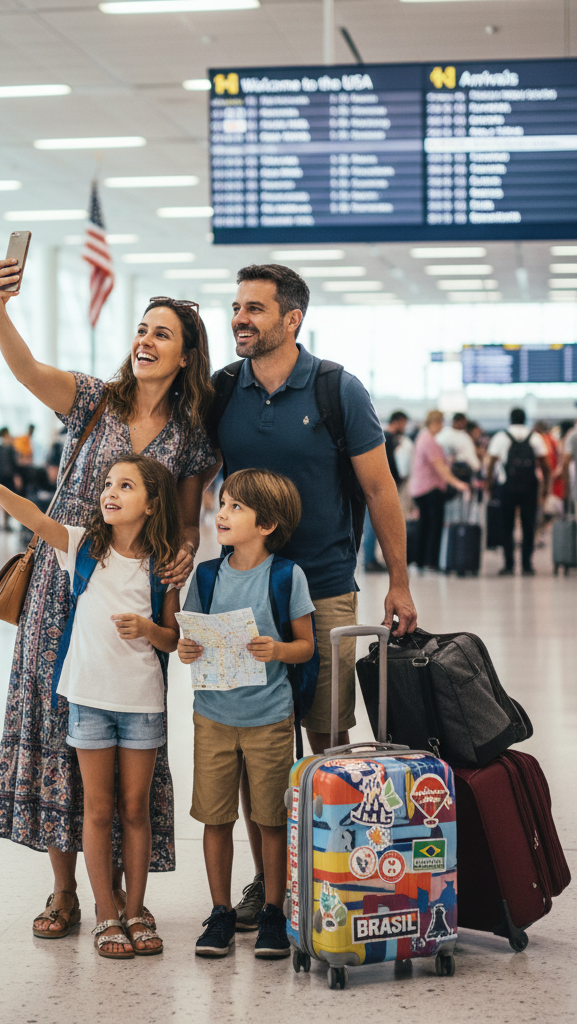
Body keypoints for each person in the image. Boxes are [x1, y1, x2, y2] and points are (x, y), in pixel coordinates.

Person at [0, 256, 215, 941]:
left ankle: (128, 893)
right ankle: (65, 892)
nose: (145, 340)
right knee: (60, 734)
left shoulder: (190, 434)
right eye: (141, 329)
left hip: (129, 595)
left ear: (185, 356)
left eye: (162, 334)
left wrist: (181, 556)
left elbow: (187, 516)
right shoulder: (94, 399)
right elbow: (27, 371)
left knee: (129, 742)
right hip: (60, 589)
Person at [207, 264, 417, 909]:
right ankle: (271, 881)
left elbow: (379, 488)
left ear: (292, 318)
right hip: (243, 592)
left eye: (255, 309)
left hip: (324, 588)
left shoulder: (336, 389)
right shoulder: (221, 390)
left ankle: (333, 871)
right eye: (237, 306)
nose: (240, 318)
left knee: (326, 734)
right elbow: (198, 481)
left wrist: (400, 585)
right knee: (252, 744)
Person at [0, 453, 181, 958]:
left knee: (135, 810)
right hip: (88, 700)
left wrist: (148, 630)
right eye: (108, 484)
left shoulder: (163, 567)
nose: (109, 492)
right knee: (99, 809)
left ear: (151, 506)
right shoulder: (83, 546)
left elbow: (171, 639)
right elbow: (37, 518)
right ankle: (106, 914)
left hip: (143, 703)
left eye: (125, 486)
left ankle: (135, 911)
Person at [179, 468, 314, 960]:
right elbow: (187, 637)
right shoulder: (208, 575)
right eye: (223, 504)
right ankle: (220, 912)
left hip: (269, 718)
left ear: (267, 524)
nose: (222, 513)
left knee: (271, 820)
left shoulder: (286, 576)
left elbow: (305, 646)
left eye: (236, 507)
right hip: (212, 715)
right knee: (216, 819)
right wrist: (187, 650)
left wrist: (277, 650)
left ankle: (274, 912)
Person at [485, 408, 551, 576]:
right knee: (529, 525)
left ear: (510, 419)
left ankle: (509, 565)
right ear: (525, 419)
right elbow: (545, 464)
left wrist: (489, 485)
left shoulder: (501, 437)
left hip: (506, 487)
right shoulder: (534, 437)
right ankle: (527, 565)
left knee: (506, 525)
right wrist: (545, 488)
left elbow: (491, 463)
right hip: (530, 487)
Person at [409, 411, 471, 571]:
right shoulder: (428, 440)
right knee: (433, 527)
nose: (442, 426)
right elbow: (439, 467)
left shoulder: (422, 439)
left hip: (420, 489)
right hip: (430, 489)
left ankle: (420, 561)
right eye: (441, 422)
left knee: (424, 526)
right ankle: (431, 562)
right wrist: (457, 483)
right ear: (434, 422)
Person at [362, 411, 409, 573]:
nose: (405, 427)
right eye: (404, 423)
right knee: (373, 525)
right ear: (398, 421)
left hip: (373, 486)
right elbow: (389, 465)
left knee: (373, 525)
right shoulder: (386, 438)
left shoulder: (387, 438)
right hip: (376, 487)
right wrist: (397, 480)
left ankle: (371, 559)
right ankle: (369, 561)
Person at [0, 428, 21, 530]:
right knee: (2, 499)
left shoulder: (10, 448)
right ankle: (4, 522)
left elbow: (15, 463)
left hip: (9, 476)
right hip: (2, 476)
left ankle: (7, 521)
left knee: (9, 499)